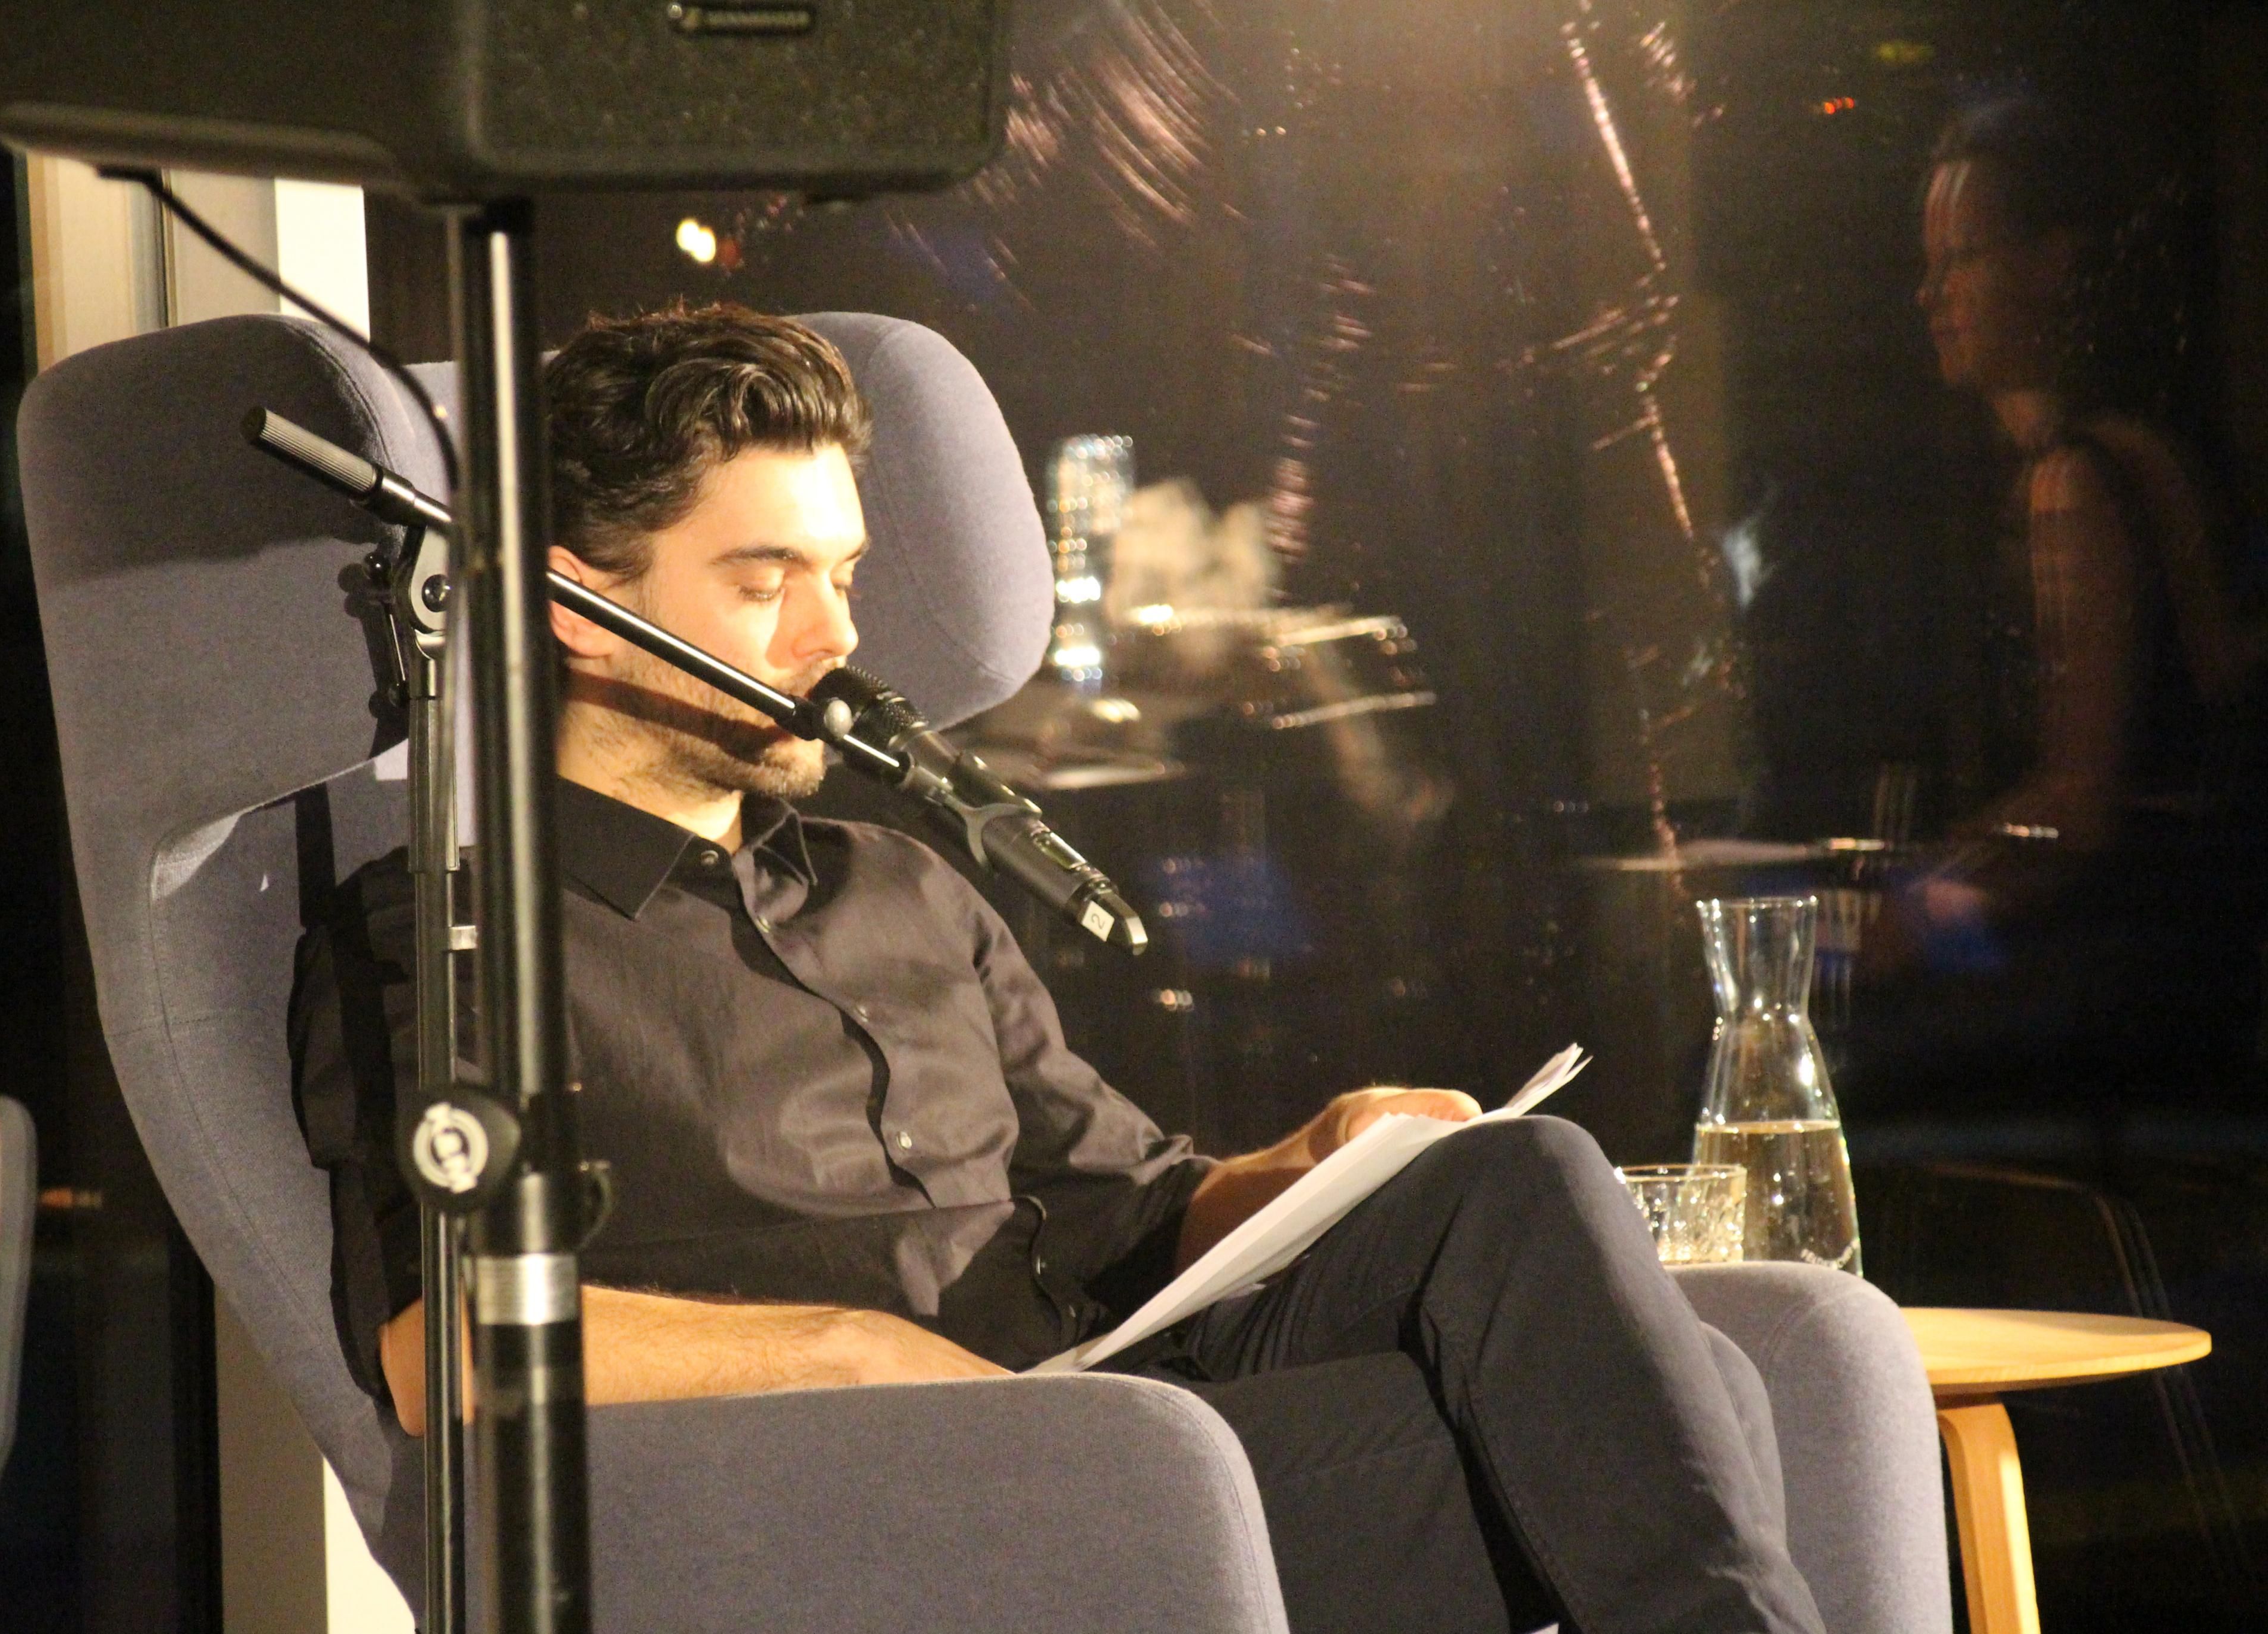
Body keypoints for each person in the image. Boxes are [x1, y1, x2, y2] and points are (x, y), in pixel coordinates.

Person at [291, 303, 1824, 1634]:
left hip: (1096, 1399)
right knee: (1663, 1430)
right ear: (580, 612)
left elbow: (1125, 1207)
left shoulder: (898, 884)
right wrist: (850, 1354)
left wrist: (1307, 1158)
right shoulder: (454, 933)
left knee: (1516, 1182)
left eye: (845, 572)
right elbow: (446, 1349)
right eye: (764, 584)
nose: (833, 636)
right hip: (872, 1497)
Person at [1859, 96, 2266, 1087]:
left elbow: (2080, 810)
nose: (1930, 292)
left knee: (1804, 1047)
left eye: (1961, 258)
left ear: (2051, 262)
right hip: (2200, 964)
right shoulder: (2149, 446)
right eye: (1928, 263)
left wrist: (1903, 911)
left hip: (2126, 977)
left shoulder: (2073, 480)